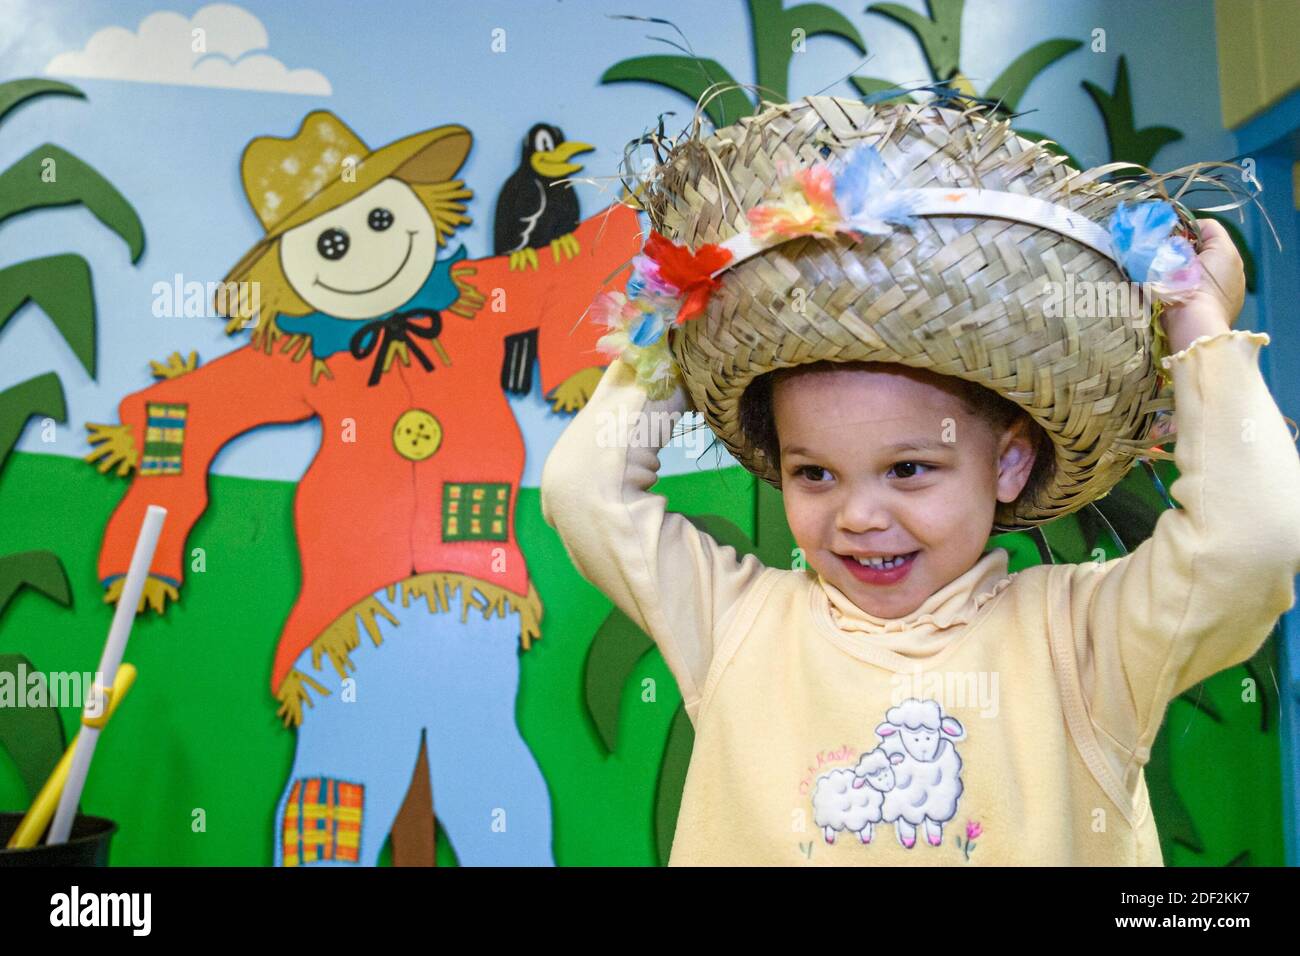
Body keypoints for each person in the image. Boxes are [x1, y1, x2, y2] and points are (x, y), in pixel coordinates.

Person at [540, 95, 1300, 865]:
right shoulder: (734, 626)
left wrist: (1198, 325)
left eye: (909, 469)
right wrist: (676, 322)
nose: (859, 515)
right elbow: (585, 493)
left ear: (1009, 462)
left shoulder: (1085, 644)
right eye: (815, 473)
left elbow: (1254, 543)